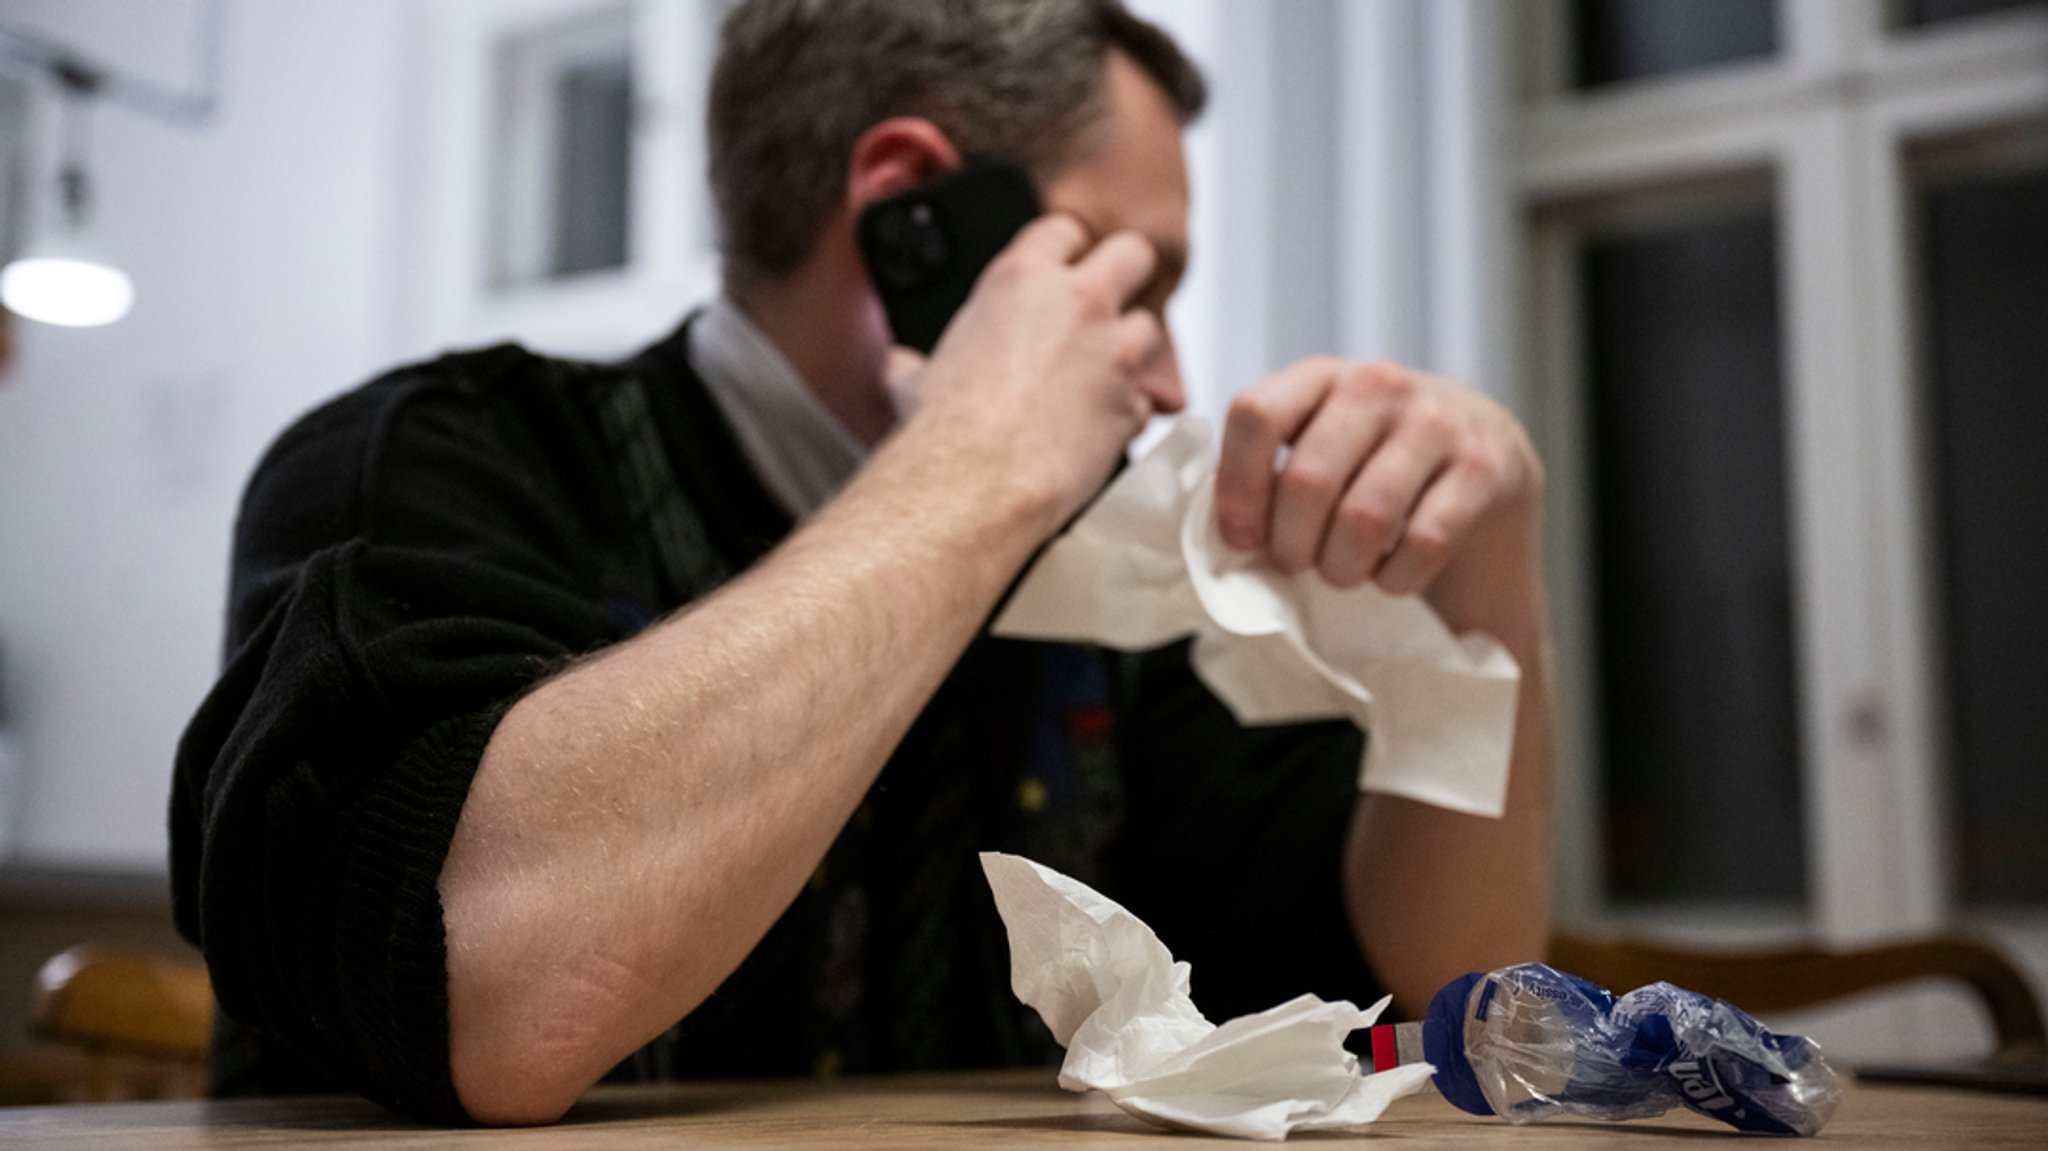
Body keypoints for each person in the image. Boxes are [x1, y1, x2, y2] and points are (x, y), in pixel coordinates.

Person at [172, 0, 1555, 1127]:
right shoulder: (426, 468)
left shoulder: (1103, 562)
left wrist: (1480, 584)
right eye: (1134, 286)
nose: (1170, 375)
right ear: (911, 210)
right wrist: (978, 465)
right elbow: (499, 997)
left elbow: (1435, 985)